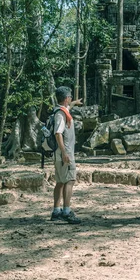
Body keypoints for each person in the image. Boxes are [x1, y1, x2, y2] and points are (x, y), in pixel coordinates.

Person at [50, 86, 83, 224]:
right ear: (65, 99)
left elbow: (67, 107)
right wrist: (64, 153)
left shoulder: (61, 110)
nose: (70, 99)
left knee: (60, 182)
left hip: (60, 153)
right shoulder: (61, 114)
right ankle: (66, 211)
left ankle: (56, 211)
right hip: (65, 153)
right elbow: (58, 133)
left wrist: (74, 102)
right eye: (69, 97)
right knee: (70, 181)